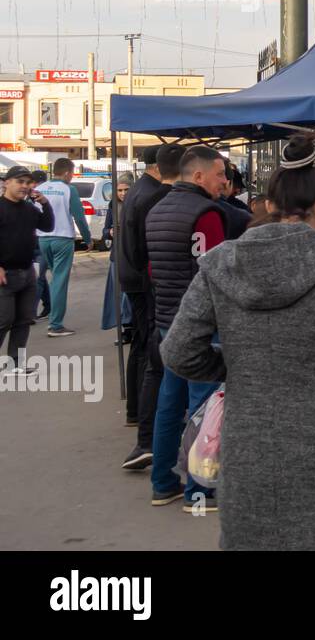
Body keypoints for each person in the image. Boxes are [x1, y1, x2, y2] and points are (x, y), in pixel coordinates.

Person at [162, 136, 315, 550]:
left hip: (249, 440)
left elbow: (177, 351)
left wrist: (236, 365)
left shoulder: (220, 262)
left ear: (270, 204)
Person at [144, 145, 229, 509]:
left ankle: (162, 481)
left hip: (166, 322)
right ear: (198, 176)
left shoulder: (157, 209)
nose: (224, 182)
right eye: (220, 174)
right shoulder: (206, 213)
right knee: (203, 406)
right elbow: (216, 272)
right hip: (200, 326)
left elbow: (152, 269)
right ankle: (200, 488)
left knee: (169, 402)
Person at [119, 144, 183, 468]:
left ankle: (136, 417)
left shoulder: (140, 190)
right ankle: (146, 436)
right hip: (146, 285)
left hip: (137, 281)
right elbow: (145, 250)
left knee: (145, 352)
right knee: (150, 356)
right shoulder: (152, 195)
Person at [0, 166, 54, 378]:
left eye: (27, 182)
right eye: (19, 181)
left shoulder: (29, 209)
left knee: (23, 320)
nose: (24, 186)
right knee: (4, 319)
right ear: (7, 182)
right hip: (5, 275)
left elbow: (48, 226)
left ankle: (16, 364)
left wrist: (45, 204)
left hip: (27, 271)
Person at [36, 158, 92, 337]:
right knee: (59, 281)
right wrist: (87, 238)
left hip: (43, 239)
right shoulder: (69, 189)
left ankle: (53, 317)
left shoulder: (41, 188)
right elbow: (79, 216)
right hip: (63, 238)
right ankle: (55, 325)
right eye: (73, 173)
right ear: (68, 172)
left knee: (54, 279)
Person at [99, 176, 135, 337]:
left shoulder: (138, 204)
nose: (122, 193)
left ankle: (132, 325)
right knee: (119, 294)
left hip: (132, 254)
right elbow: (105, 231)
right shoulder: (113, 205)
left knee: (130, 293)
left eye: (126, 190)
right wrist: (111, 232)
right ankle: (125, 327)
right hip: (117, 254)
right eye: (119, 190)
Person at [31, 171, 51, 319]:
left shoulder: (45, 196)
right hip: (33, 242)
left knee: (38, 277)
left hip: (44, 240)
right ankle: (48, 305)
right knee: (40, 277)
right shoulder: (26, 198)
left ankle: (29, 313)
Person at [218, 162, 253, 240]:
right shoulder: (239, 213)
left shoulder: (200, 202)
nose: (237, 190)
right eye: (236, 187)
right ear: (227, 183)